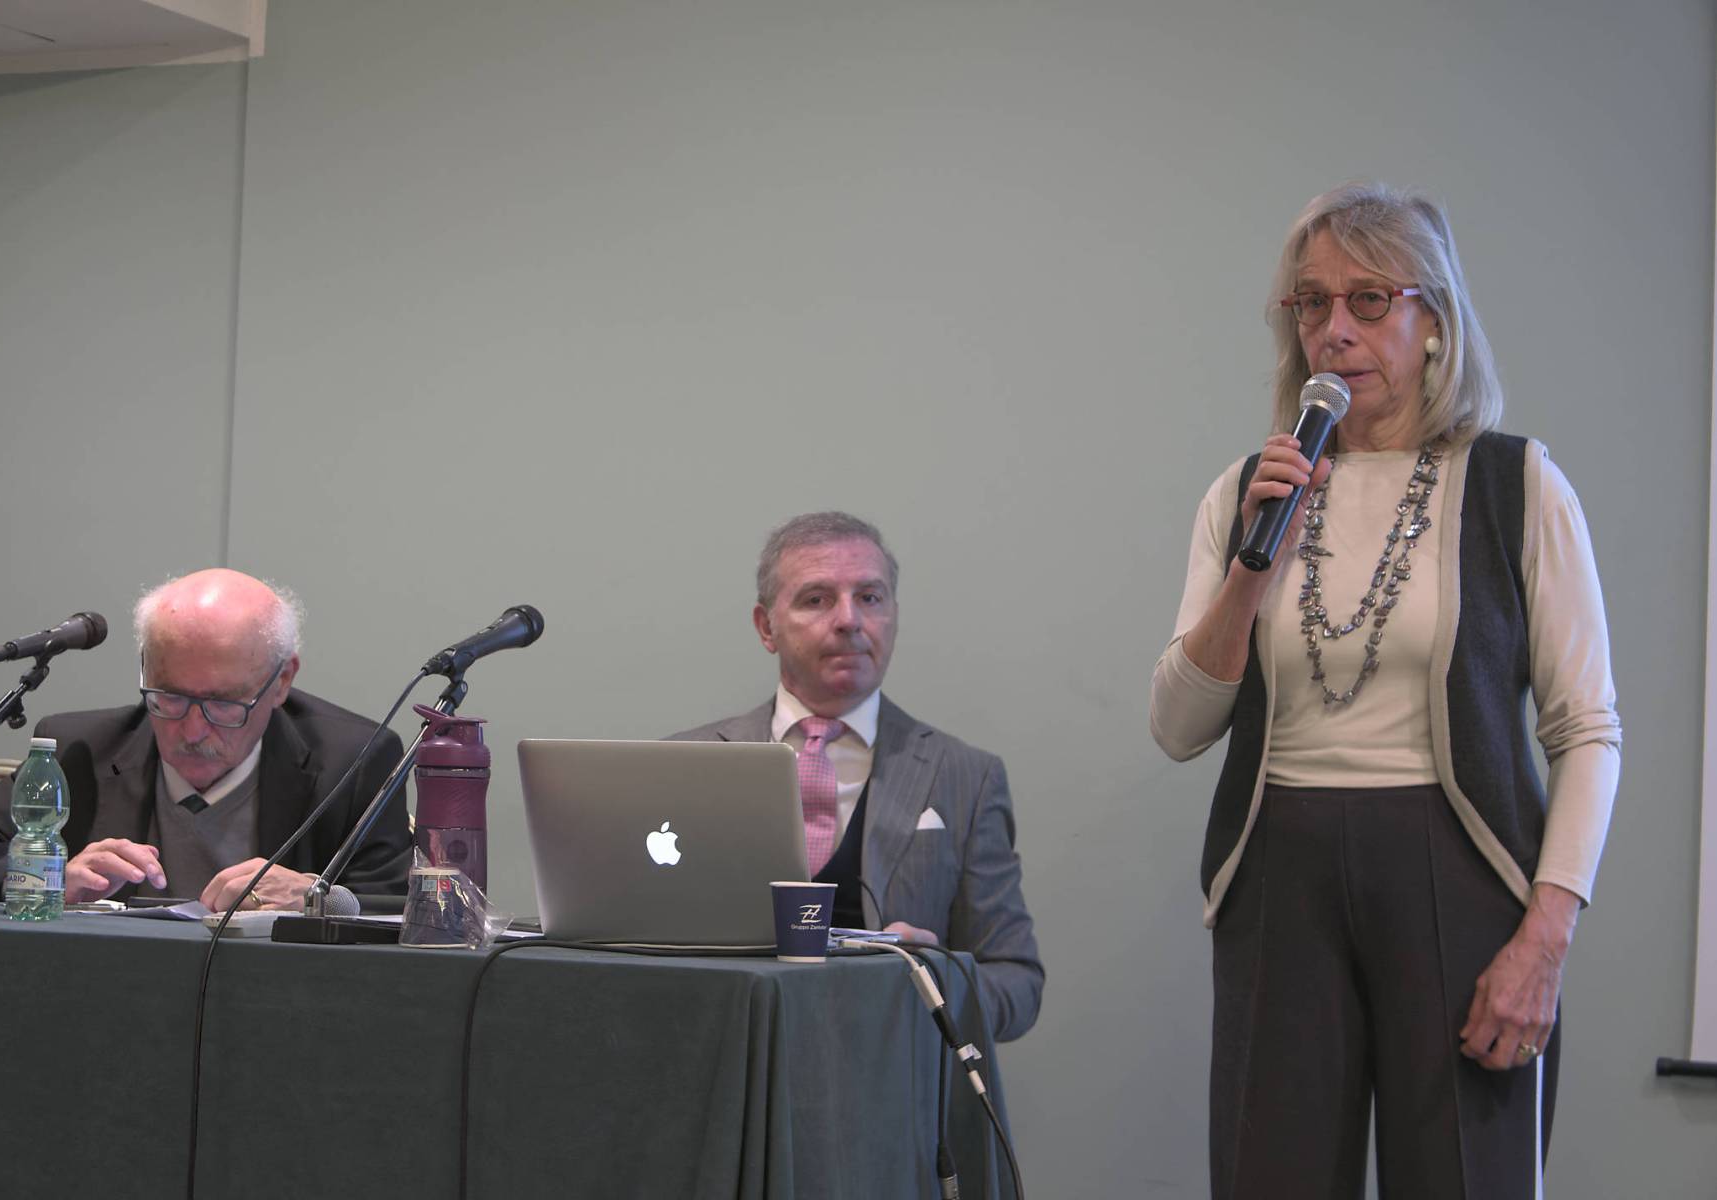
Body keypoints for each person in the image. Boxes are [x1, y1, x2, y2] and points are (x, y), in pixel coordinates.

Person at [1150, 182, 1621, 1198]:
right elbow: (1179, 727)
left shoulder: (1517, 485)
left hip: (1461, 870)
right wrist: (1251, 572)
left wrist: (1546, 937)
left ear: (1434, 320)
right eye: (1311, 303)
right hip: (1279, 874)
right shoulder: (1246, 492)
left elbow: (1586, 730)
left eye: (1370, 300)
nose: (1335, 330)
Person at [672, 512, 1043, 1042]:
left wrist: (937, 980)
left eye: (870, 597)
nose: (849, 619)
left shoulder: (966, 777)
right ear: (765, 627)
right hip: (728, 1068)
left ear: (893, 614)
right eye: (816, 599)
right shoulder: (684, 765)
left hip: (888, 1078)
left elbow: (1018, 985)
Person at [0, 568, 411, 910]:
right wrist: (47, 879)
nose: (193, 730)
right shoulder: (81, 749)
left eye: (224, 703)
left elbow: (400, 904)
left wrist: (318, 898)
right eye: (170, 697)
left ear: (282, 681)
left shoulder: (353, 761)